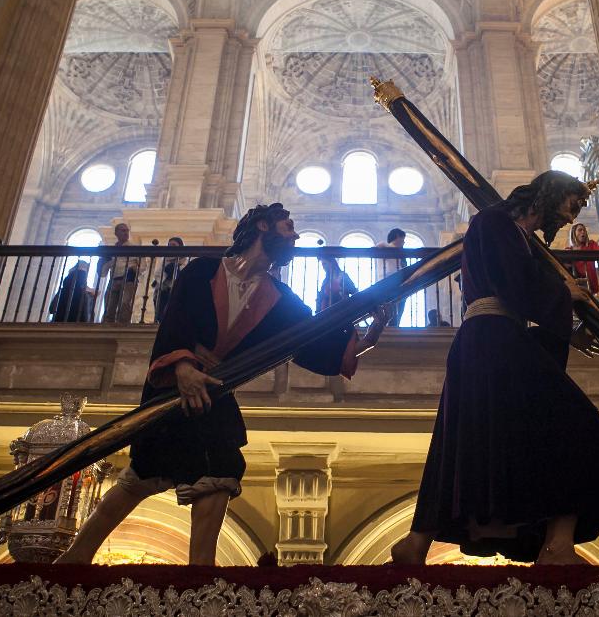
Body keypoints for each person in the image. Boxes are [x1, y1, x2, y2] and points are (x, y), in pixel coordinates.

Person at [57, 203, 390, 566]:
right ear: (263, 226)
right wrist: (182, 366)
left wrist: (374, 329)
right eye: (288, 226)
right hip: (174, 388)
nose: (295, 235)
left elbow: (316, 344)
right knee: (142, 474)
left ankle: (201, 574)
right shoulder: (203, 270)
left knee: (221, 468)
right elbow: (176, 320)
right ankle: (75, 558)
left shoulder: (280, 300)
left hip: (215, 391)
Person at [389, 171, 599, 565]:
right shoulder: (493, 222)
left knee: (465, 438)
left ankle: (417, 543)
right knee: (575, 419)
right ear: (550, 191)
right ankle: (556, 544)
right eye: (572, 202)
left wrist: (567, 329)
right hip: (490, 338)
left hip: (499, 338)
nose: (573, 214)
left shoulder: (521, 238)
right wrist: (563, 294)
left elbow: (521, 294)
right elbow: (511, 284)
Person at [100, 222, 139, 323]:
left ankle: (122, 328)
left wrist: (134, 269)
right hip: (113, 279)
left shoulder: (134, 248)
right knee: (109, 306)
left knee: (125, 305)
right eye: (123, 230)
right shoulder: (112, 249)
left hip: (128, 280)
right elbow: (103, 269)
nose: (126, 233)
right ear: (116, 233)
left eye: (127, 231)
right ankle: (107, 328)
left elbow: (141, 265)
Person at [376, 228, 407, 326]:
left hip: (399, 282)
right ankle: (391, 325)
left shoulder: (401, 253)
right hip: (387, 281)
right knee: (390, 305)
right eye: (402, 239)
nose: (404, 242)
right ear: (397, 236)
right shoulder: (386, 246)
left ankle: (395, 325)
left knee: (400, 305)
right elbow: (376, 247)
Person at [567, 223, 599, 295]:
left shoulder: (591, 245)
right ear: (573, 233)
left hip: (589, 284)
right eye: (580, 230)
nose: (583, 232)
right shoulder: (568, 251)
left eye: (584, 230)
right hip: (576, 284)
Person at [155, 237, 186, 322]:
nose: (171, 246)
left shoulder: (184, 260)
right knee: (161, 309)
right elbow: (157, 273)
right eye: (169, 245)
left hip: (177, 288)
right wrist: (166, 275)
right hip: (164, 288)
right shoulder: (164, 259)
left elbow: (185, 273)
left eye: (174, 245)